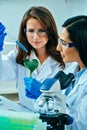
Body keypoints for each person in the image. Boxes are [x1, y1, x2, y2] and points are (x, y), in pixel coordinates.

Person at [0, 6, 78, 111]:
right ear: (24, 32)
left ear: (50, 31)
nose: (35, 37)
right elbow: (1, 74)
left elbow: (70, 104)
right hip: (26, 119)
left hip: (53, 120)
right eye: (31, 31)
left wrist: (43, 94)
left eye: (41, 31)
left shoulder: (65, 60)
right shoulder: (19, 55)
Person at [56, 15, 87, 130]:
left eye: (63, 43)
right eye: (59, 41)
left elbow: (80, 125)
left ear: (81, 45)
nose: (58, 48)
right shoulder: (72, 69)